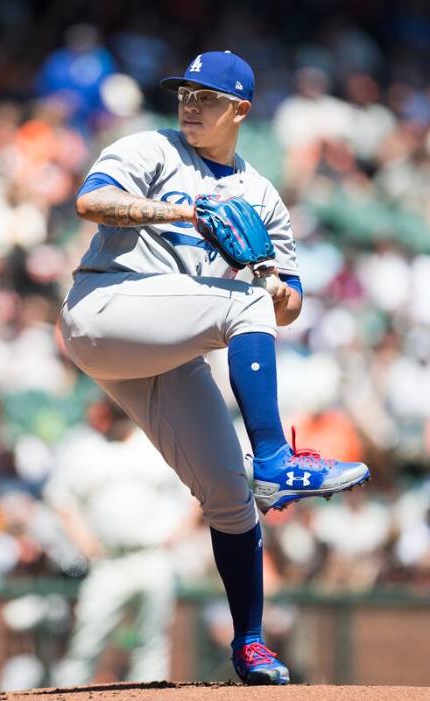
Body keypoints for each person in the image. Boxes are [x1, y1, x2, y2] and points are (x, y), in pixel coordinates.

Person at [60, 51, 370, 685]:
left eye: (206, 95)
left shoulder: (262, 194)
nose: (190, 104)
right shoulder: (152, 148)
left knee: (231, 498)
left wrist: (271, 282)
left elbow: (287, 303)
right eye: (185, 93)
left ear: (241, 110)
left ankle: (251, 646)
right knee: (242, 305)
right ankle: (278, 461)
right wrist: (184, 212)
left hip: (168, 348)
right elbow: (91, 203)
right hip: (105, 308)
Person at [45, 399, 199, 684]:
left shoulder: (158, 443)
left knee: (152, 644)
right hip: (109, 560)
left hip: (153, 556)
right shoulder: (85, 448)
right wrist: (83, 539)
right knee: (86, 642)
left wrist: (178, 534)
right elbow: (60, 499)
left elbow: (195, 492)